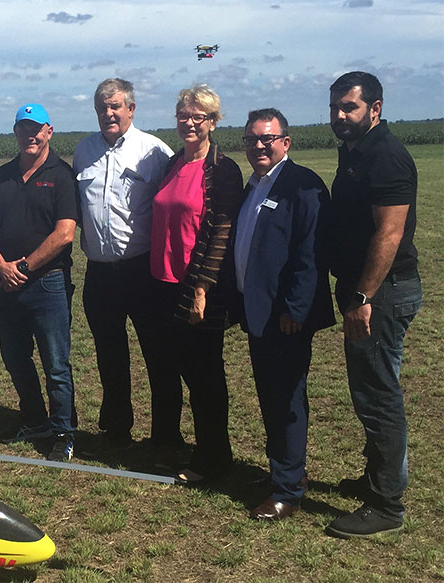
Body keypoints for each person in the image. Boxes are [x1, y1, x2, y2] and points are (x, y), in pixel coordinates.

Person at [324, 72, 421, 538]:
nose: (340, 116)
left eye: (350, 108)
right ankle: (376, 478)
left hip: (380, 294)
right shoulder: (356, 152)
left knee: (379, 395)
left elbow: (390, 233)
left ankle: (387, 504)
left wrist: (363, 297)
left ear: (375, 109)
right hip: (363, 291)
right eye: (335, 108)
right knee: (370, 390)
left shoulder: (386, 157)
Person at [233, 108, 334, 520]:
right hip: (258, 313)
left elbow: (310, 255)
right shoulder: (254, 184)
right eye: (252, 139)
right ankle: (283, 471)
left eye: (268, 138)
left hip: (286, 316)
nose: (259, 145)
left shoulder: (303, 186)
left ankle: (288, 491)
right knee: (269, 395)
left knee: (287, 398)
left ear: (285, 143)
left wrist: (296, 309)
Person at [147, 84, 244, 483]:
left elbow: (222, 231)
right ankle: (184, 447)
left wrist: (202, 287)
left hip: (198, 288)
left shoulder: (223, 169)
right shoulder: (172, 162)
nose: (189, 122)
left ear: (213, 122)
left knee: (205, 376)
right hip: (162, 283)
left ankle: (214, 459)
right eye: (183, 115)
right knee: (175, 369)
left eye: (198, 116)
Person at [72, 78, 173, 447]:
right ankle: (117, 429)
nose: (109, 113)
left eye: (115, 106)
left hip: (142, 271)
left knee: (158, 355)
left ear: (131, 108)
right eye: (102, 107)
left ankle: (165, 436)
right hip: (99, 274)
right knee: (109, 354)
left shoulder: (154, 152)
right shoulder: (83, 152)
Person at [0, 103, 78, 462]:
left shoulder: (62, 175)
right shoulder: (2, 176)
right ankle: (35, 418)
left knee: (56, 363)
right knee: (15, 357)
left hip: (47, 284)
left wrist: (22, 267)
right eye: (24, 129)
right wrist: (0, 265)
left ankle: (62, 430)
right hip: (6, 283)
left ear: (49, 131)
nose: (31, 135)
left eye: (37, 128)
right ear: (16, 133)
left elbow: (65, 233)